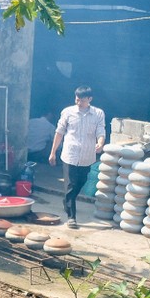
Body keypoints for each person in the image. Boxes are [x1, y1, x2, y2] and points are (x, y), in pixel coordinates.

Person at [49, 85, 105, 228]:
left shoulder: (98, 113)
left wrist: (100, 143)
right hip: (70, 154)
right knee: (70, 184)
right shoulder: (68, 112)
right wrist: (53, 152)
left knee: (81, 182)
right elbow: (59, 132)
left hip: (87, 156)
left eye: (82, 100)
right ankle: (71, 218)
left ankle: (67, 200)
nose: (78, 102)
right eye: (77, 99)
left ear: (90, 99)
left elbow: (100, 131)